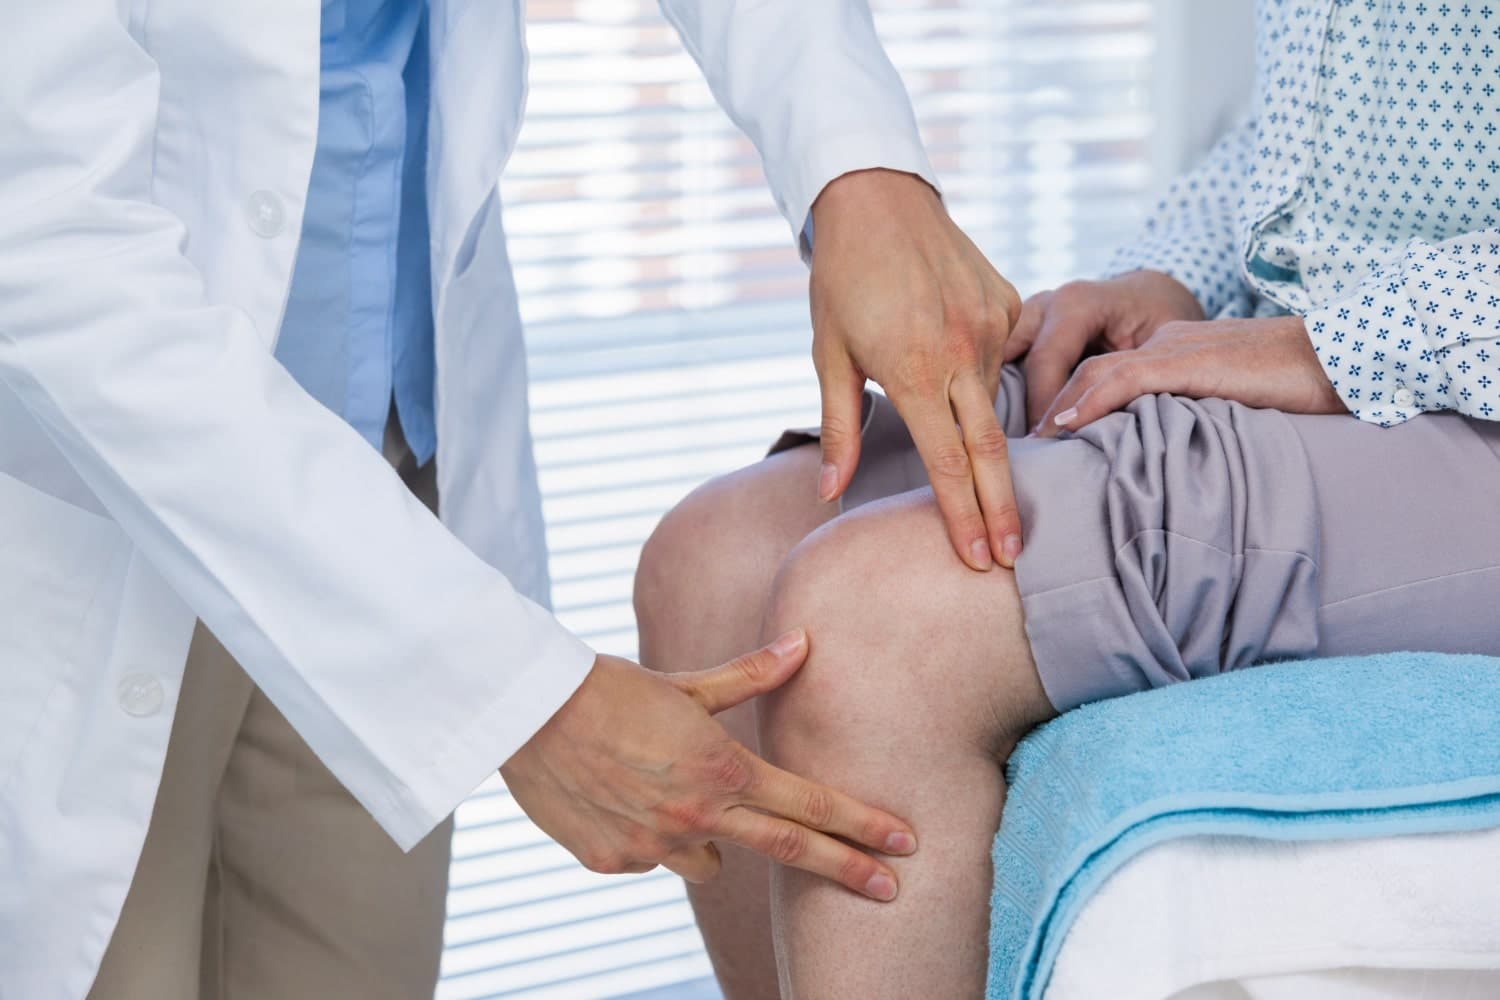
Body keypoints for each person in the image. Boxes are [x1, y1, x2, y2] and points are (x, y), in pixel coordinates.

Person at [0, 2, 1027, 998]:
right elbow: (46, 255)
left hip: (392, 472)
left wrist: (859, 171)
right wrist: (521, 698)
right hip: (99, 501)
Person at [636, 1, 1500, 996]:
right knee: (711, 563)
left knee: (878, 618)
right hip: (1321, 328)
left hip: (1451, 375)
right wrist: (1173, 273)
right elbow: (1325, 119)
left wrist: (1335, 344)